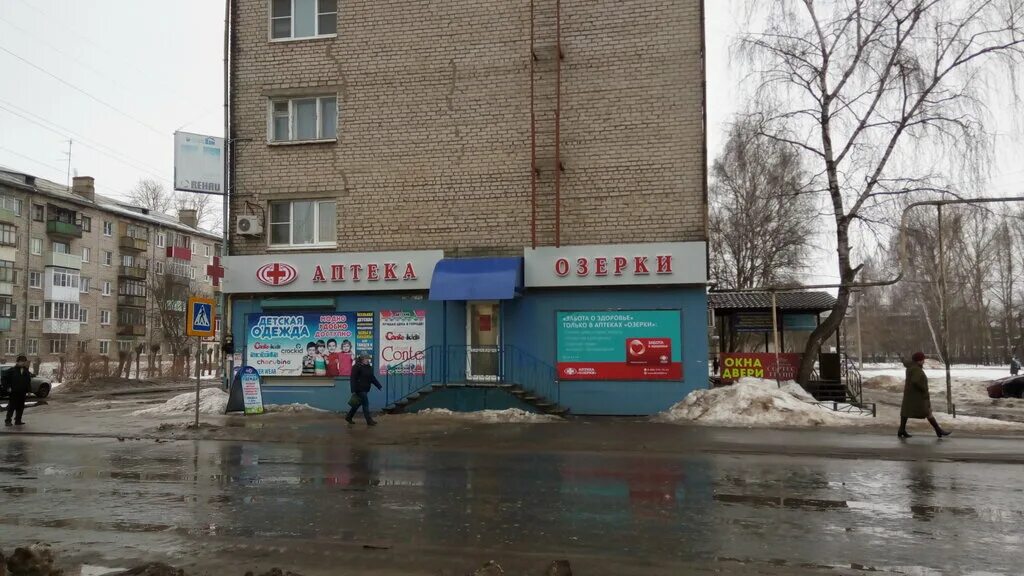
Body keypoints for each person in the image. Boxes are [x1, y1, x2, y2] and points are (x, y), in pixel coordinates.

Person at [898, 352, 951, 439]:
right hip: (917, 396)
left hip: (910, 394)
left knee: (906, 411)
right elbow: (916, 381)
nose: (924, 361)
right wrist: (923, 388)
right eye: (923, 359)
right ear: (919, 360)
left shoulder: (911, 367)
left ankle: (901, 430)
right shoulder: (916, 369)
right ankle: (938, 430)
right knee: (927, 412)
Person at [347, 354, 382, 426]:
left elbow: (372, 378)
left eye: (368, 359)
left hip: (366, 389)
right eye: (366, 359)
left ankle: (349, 417)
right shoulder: (356, 367)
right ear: (362, 359)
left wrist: (379, 386)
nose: (368, 360)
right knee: (365, 404)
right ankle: (369, 421)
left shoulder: (369, 367)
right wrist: (353, 390)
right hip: (359, 389)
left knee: (357, 404)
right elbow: (353, 379)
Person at [4, 355, 32, 427]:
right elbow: (4, 379)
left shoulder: (26, 371)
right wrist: (8, 387)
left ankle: (18, 420)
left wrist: (29, 391)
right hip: (14, 392)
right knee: (11, 407)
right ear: (18, 362)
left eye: (24, 361)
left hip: (22, 392)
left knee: (20, 407)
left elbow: (28, 381)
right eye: (22, 361)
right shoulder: (12, 370)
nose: (23, 363)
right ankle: (8, 421)